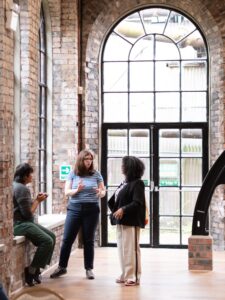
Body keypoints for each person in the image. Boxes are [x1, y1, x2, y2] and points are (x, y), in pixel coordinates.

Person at [50, 149, 106, 280]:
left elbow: (103, 191)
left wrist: (100, 192)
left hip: (91, 210)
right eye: (86, 159)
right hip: (74, 209)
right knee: (67, 239)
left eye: (91, 159)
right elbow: (67, 192)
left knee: (89, 240)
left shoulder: (96, 174)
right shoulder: (73, 174)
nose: (89, 162)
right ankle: (62, 267)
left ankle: (89, 269)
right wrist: (77, 190)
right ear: (81, 160)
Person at [13, 163, 56, 287]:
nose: (32, 176)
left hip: (24, 222)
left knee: (52, 236)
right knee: (47, 241)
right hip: (20, 224)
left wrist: (35, 199)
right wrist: (38, 201)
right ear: (25, 176)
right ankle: (31, 271)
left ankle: (37, 269)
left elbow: (23, 208)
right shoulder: (22, 189)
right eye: (31, 174)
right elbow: (27, 214)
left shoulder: (17, 186)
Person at [108, 156, 146, 286]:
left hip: (131, 221)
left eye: (123, 165)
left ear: (129, 168)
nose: (121, 167)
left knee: (131, 249)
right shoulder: (124, 183)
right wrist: (115, 211)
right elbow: (115, 199)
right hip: (121, 221)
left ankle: (133, 276)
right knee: (122, 249)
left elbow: (137, 202)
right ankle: (125, 273)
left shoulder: (138, 183)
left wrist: (123, 209)